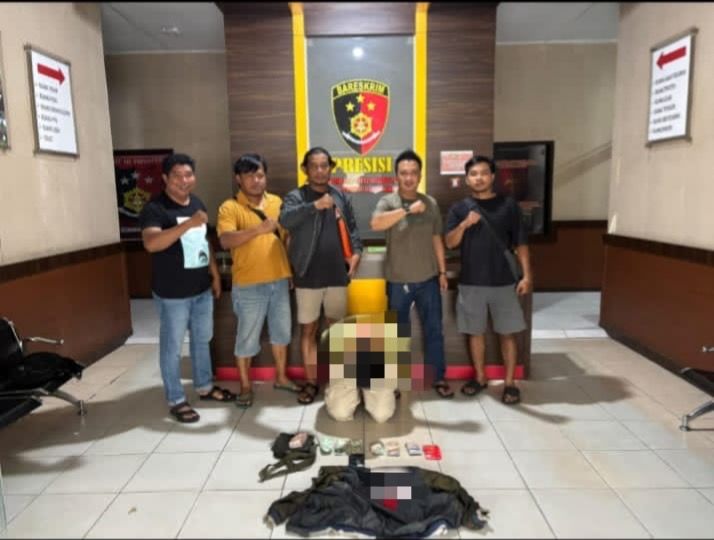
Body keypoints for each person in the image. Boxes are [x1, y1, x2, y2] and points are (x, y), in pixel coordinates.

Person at [139, 153, 236, 423]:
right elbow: (151, 244)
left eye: (188, 175)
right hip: (172, 294)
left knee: (202, 340)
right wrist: (189, 224)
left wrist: (214, 274)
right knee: (172, 348)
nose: (184, 180)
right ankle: (176, 398)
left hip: (201, 289)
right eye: (177, 176)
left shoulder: (196, 203)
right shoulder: (155, 209)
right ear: (165, 178)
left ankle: (204, 386)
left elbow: (203, 242)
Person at [445, 155, 532, 404]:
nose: (479, 178)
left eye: (484, 173)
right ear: (467, 179)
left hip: (504, 282)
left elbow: (521, 243)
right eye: (473, 174)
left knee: (507, 333)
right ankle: (480, 378)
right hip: (471, 282)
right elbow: (450, 242)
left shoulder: (509, 205)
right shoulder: (459, 208)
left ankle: (510, 383)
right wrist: (464, 224)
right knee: (475, 333)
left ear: (492, 176)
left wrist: (527, 275)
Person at [279, 147, 363, 405]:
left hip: (337, 274)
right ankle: (311, 382)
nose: (319, 170)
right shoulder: (296, 196)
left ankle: (338, 383)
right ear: (305, 169)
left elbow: (353, 229)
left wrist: (357, 252)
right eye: (314, 166)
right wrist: (314, 206)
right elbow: (285, 220)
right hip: (307, 275)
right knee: (309, 330)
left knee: (336, 329)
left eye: (324, 165)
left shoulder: (340, 195)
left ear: (330, 168)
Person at [217, 153, 301, 409]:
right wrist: (258, 229)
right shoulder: (230, 207)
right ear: (238, 179)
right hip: (249, 284)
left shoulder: (277, 202)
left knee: (281, 333)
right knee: (247, 338)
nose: (256, 180)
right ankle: (245, 386)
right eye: (249, 175)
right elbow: (225, 240)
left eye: (260, 175)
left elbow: (286, 238)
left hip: (279, 281)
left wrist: (289, 270)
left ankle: (281, 377)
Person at [370, 149, 453, 398]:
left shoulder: (430, 203)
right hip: (398, 281)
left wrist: (442, 271)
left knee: (434, 331)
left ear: (420, 175)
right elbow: (375, 223)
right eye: (404, 173)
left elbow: (437, 238)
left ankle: (438, 377)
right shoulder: (388, 202)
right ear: (396, 176)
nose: (408, 178)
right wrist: (406, 211)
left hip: (428, 279)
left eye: (413, 173)